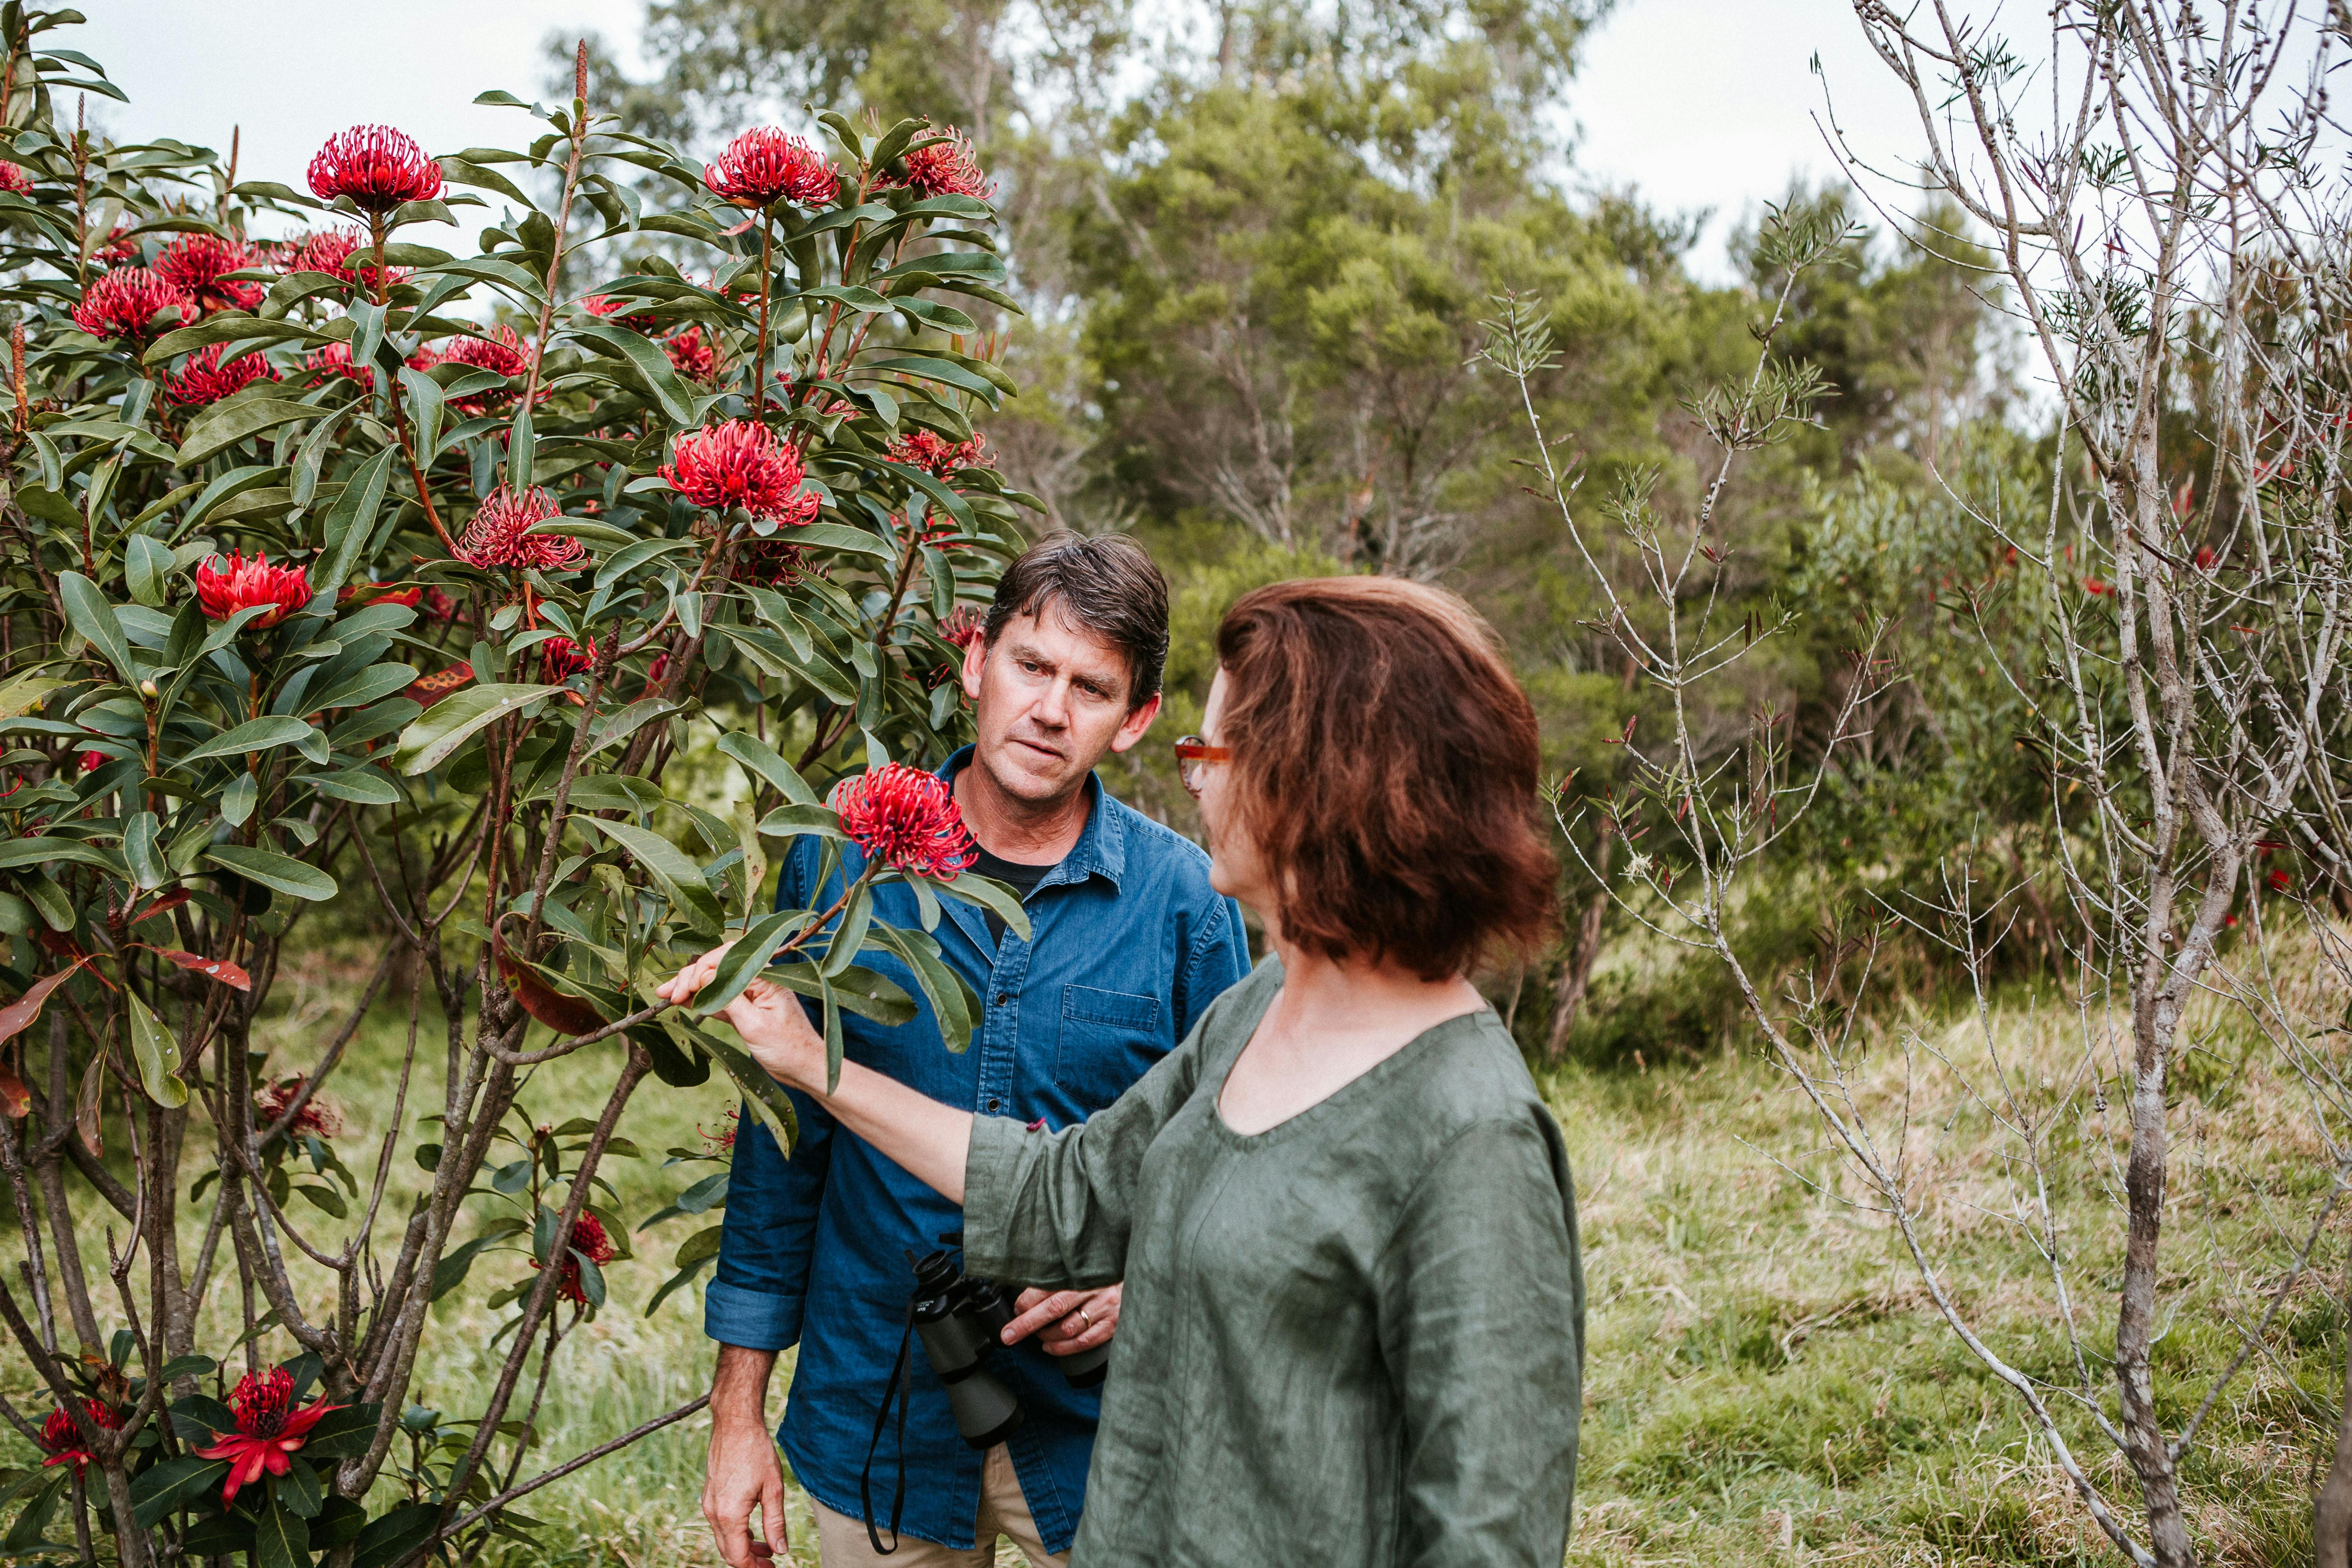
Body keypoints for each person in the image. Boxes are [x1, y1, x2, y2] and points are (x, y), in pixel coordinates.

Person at [667, 576, 1585, 1567]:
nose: (1195, 782)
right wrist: (811, 1063)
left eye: (1212, 750)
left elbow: (1489, 1530)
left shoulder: (1471, 1130)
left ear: (1322, 786)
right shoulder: (1255, 1016)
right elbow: (1063, 1190)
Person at [699, 532, 1252, 1568]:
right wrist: (738, 1419)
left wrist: (1145, 1282)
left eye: (1091, 688)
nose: (1049, 709)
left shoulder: (1187, 900)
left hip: (1102, 1432)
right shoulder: (838, 861)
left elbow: (1225, 1161)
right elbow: (779, 1159)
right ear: (975, 662)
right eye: (1030, 665)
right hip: (880, 1412)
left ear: (1134, 723)